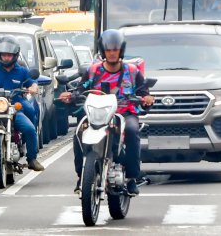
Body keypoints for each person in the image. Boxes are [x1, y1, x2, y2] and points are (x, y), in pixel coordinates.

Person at [60, 28, 153, 195]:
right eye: (108, 50)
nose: (111, 54)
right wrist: (70, 96)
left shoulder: (132, 72)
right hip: (96, 114)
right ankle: (82, 177)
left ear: (121, 50)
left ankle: (132, 177)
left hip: (124, 113)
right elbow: (80, 90)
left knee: (132, 131)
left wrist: (147, 99)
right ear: (103, 51)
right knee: (78, 135)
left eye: (115, 50)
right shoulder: (93, 71)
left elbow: (143, 92)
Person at [0, 38, 46, 175]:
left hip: (14, 106)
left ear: (15, 55)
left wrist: (33, 87)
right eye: (4, 54)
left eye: (9, 55)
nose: (6, 57)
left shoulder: (22, 71)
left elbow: (32, 82)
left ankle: (32, 159)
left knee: (29, 129)